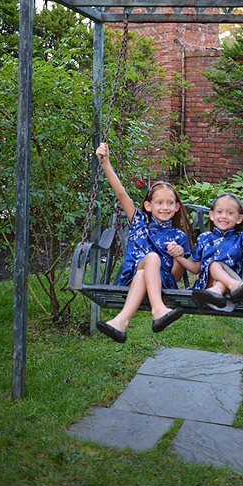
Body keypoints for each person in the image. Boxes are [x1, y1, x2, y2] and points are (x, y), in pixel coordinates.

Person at [93, 142, 197, 343]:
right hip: (130, 277)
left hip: (162, 283)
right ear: (148, 206)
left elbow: (175, 277)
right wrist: (105, 163)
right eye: (159, 203)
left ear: (176, 207)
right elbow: (121, 193)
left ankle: (120, 322)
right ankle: (158, 311)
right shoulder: (139, 221)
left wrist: (178, 256)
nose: (165, 207)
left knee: (146, 269)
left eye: (170, 203)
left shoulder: (179, 236)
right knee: (150, 259)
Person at [190, 193, 243, 308]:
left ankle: (216, 292)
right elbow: (195, 268)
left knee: (216, 268)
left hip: (230, 282)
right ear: (211, 215)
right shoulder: (204, 237)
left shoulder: (241, 237)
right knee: (214, 265)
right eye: (219, 212)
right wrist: (179, 258)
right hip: (206, 284)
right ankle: (235, 286)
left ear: (239, 218)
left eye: (230, 213)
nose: (224, 216)